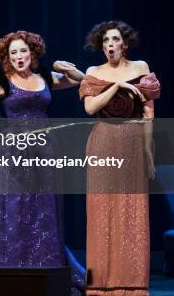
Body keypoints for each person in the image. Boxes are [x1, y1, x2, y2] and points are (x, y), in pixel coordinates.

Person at [0, 31, 85, 294]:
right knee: (15, 210)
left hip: (44, 151)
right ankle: (12, 273)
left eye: (23, 51)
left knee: (43, 210)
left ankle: (46, 270)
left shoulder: (44, 77)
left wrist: (61, 66)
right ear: (7, 58)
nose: (19, 57)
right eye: (13, 53)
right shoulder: (2, 82)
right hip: (13, 153)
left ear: (32, 52)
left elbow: (82, 81)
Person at [80, 21, 159, 296]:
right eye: (105, 41)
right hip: (103, 141)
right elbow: (91, 108)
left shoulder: (141, 68)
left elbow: (148, 113)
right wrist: (117, 85)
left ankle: (133, 284)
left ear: (124, 44)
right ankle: (99, 285)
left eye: (114, 40)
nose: (109, 44)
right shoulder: (93, 72)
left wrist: (149, 152)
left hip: (133, 143)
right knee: (101, 210)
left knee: (132, 208)